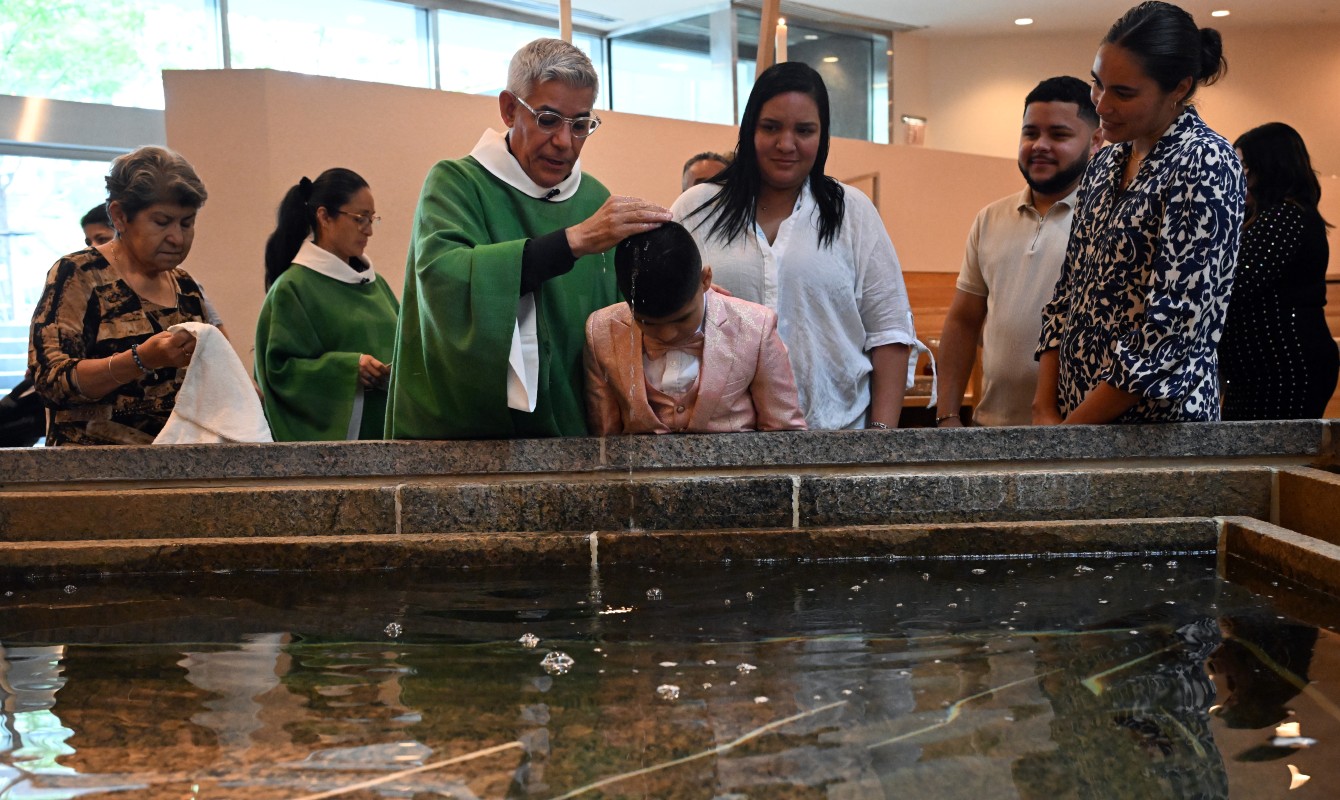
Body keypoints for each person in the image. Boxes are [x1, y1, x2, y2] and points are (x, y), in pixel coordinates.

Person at [386, 38, 670, 439]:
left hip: (579, 432)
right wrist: (573, 241)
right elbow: (444, 280)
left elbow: (621, 316)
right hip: (471, 440)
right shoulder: (456, 183)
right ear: (508, 109)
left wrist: (683, 294)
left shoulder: (594, 199)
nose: (565, 142)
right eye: (548, 119)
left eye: (580, 124)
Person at [672, 62, 917, 431]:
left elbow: (890, 334)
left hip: (835, 437)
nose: (786, 144)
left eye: (804, 130)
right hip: (719, 443)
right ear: (750, 127)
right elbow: (661, 323)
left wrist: (879, 442)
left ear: (823, 135)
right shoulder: (697, 209)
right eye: (771, 127)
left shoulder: (852, 211)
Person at [1034, 1, 1244, 425]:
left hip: (1155, 431)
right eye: (1097, 84)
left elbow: (1171, 331)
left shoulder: (1205, 161)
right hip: (1074, 420)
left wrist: (1072, 432)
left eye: (1123, 93)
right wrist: (1045, 407)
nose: (1102, 104)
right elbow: (1068, 291)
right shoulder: (1107, 161)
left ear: (1179, 88)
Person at [936, 77, 1103, 428]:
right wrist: (948, 415)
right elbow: (964, 321)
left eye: (1059, 135)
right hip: (992, 427)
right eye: (1030, 133)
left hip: (1073, 433)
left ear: (1096, 142)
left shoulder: (1108, 220)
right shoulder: (990, 218)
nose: (1040, 145)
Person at [29, 145, 210, 445]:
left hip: (174, 470)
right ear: (120, 215)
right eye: (161, 222)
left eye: (187, 223)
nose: (177, 238)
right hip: (93, 475)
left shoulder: (185, 286)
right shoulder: (79, 275)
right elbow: (51, 381)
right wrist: (141, 359)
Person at [584, 222, 806, 434]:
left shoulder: (756, 327)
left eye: (681, 319)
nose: (667, 335)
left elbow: (784, 434)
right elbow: (604, 441)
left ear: (705, 279)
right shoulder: (601, 331)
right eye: (647, 322)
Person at [256, 168, 400, 441]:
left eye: (372, 219)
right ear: (324, 216)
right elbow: (278, 373)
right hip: (339, 449)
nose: (368, 230)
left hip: (388, 433)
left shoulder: (375, 284)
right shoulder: (293, 288)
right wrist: (349, 370)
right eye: (360, 219)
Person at [1219, 123, 1336, 420]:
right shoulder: (1268, 216)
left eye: (1243, 166)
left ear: (1269, 167)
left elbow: (1236, 283)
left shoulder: (1284, 216)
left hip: (1282, 368)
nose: (1238, 176)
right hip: (1263, 370)